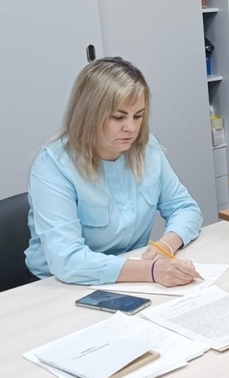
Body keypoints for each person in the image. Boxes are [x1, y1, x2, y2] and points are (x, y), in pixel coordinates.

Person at [26, 57, 203, 287]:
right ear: (89, 114)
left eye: (138, 116)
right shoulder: (53, 165)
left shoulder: (147, 149)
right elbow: (67, 260)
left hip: (133, 277)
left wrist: (166, 244)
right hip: (61, 286)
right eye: (118, 117)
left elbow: (185, 208)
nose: (131, 128)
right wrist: (152, 270)